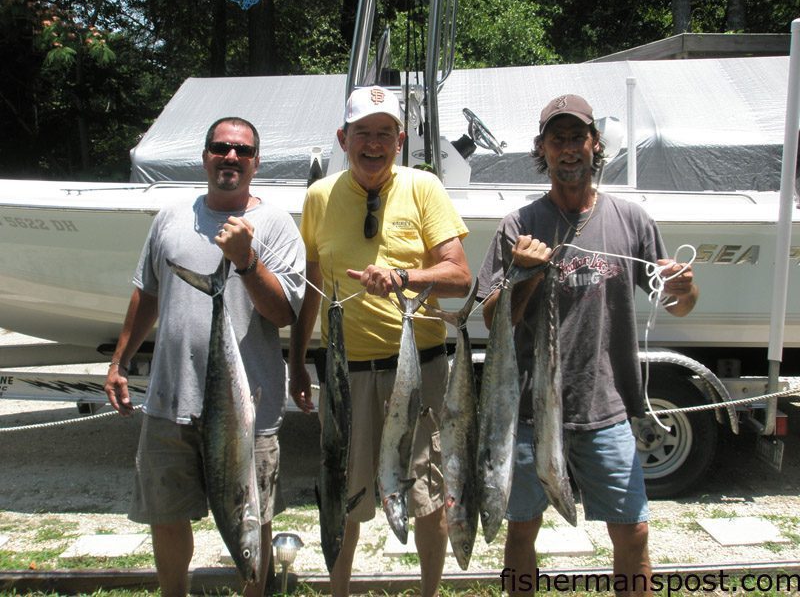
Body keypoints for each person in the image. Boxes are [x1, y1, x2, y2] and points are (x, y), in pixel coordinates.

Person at [477, 94, 698, 597]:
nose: (569, 149)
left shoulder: (633, 220)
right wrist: (526, 274)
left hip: (608, 408)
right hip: (531, 414)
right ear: (543, 151)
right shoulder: (518, 226)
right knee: (520, 532)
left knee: (634, 531)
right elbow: (494, 322)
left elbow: (680, 304)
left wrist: (686, 289)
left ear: (595, 144)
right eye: (558, 140)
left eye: (578, 137)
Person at [104, 117, 306, 597]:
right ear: (205, 156)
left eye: (241, 150)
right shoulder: (170, 218)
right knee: (166, 513)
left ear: (256, 162)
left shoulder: (276, 226)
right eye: (220, 147)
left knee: (250, 514)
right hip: (170, 399)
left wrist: (246, 261)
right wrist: (119, 362)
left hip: (246, 411)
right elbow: (146, 295)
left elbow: (281, 313)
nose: (230, 157)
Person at [288, 85, 472, 597]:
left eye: (384, 134)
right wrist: (299, 362)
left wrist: (404, 277)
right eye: (363, 134)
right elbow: (314, 287)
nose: (373, 144)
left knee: (428, 494)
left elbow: (460, 277)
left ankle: (429, 592)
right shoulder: (319, 197)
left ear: (400, 139)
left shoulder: (425, 187)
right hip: (346, 373)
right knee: (343, 492)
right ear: (342, 138)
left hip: (419, 369)